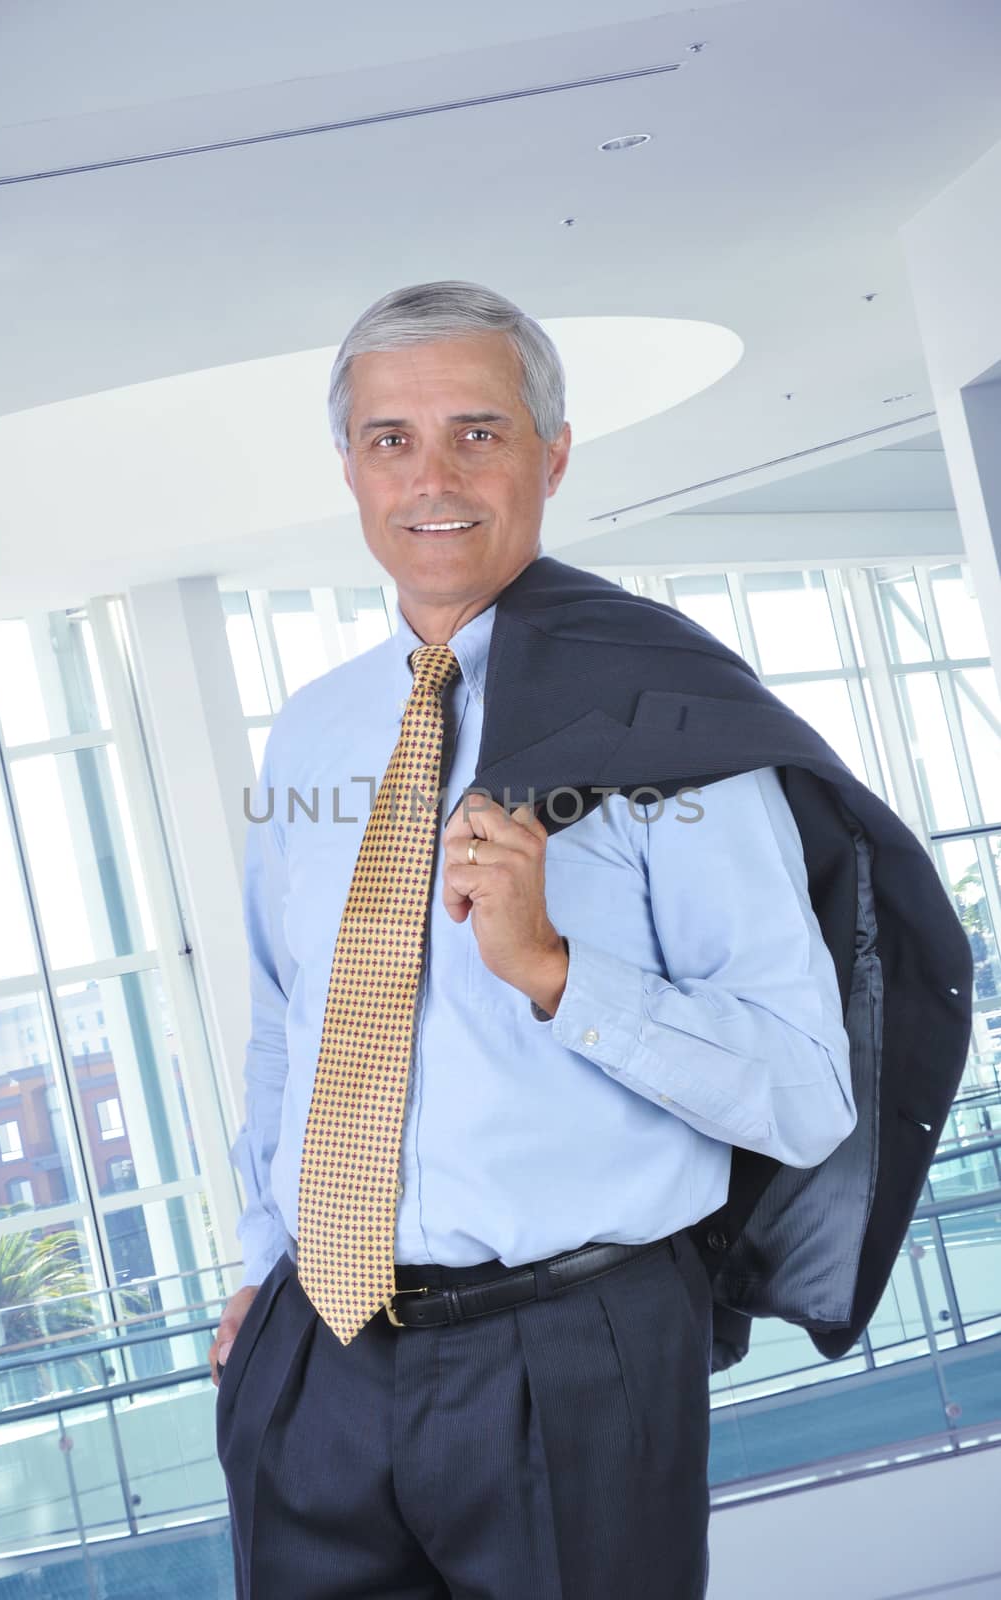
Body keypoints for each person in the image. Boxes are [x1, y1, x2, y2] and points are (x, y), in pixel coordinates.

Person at [210, 279, 857, 1598]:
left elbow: (803, 1089)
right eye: (391, 438)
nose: (431, 476)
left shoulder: (668, 722)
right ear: (348, 466)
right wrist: (266, 1267)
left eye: (479, 431)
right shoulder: (315, 733)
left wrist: (558, 973)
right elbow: (294, 1017)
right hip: (315, 1356)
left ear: (553, 456)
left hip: (570, 1353)